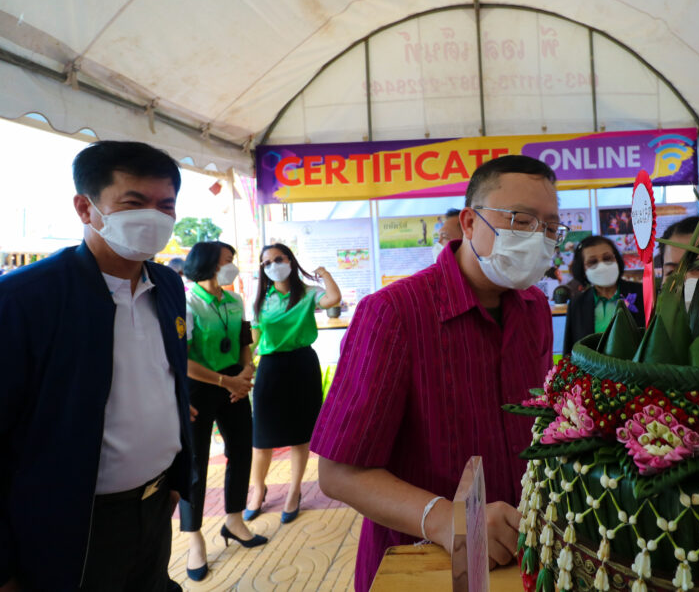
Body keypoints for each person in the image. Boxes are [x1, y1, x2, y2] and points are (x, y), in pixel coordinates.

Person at [311, 155, 563, 592]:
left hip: (520, 557)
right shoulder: (393, 313)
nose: (537, 238)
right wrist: (446, 519)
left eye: (551, 228)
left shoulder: (535, 307)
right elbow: (339, 473)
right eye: (521, 221)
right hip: (422, 563)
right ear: (469, 222)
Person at [0, 140, 192, 591]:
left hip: (154, 506)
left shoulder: (167, 284)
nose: (153, 217)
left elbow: (169, 381)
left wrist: (176, 480)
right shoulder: (25, 299)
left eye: (166, 205)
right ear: (85, 208)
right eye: (134, 203)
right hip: (69, 523)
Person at [179, 241, 266, 581]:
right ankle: (194, 538)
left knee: (241, 451)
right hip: (200, 386)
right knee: (196, 462)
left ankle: (234, 520)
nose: (232, 265)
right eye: (227, 260)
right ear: (209, 264)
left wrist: (245, 373)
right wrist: (227, 382)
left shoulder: (235, 300)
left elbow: (244, 342)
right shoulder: (187, 304)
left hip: (233, 384)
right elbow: (183, 360)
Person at [245, 244, 341, 525]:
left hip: (302, 365)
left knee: (300, 435)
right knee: (261, 437)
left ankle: (294, 491)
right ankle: (258, 489)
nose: (273, 265)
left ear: (290, 261)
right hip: (270, 367)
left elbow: (333, 299)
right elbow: (253, 339)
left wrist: (324, 274)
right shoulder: (261, 299)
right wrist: (243, 368)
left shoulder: (308, 293)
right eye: (266, 263)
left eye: (278, 259)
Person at [563, 235, 644, 353]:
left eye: (607, 258)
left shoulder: (642, 293)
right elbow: (570, 350)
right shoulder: (577, 304)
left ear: (617, 260)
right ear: (583, 270)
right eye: (592, 262)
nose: (602, 266)